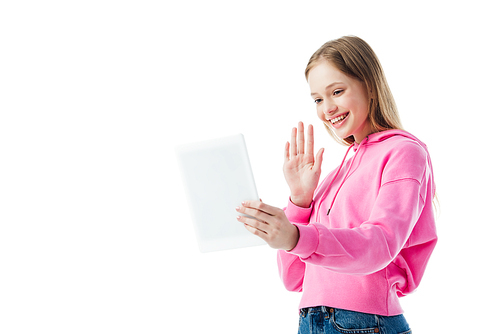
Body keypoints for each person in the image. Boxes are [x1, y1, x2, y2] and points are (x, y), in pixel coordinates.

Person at [235, 36, 437, 334]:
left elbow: (380, 244)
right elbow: (294, 278)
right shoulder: (335, 174)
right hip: (313, 319)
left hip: (364, 323)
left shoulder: (403, 152)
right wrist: (300, 202)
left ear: (370, 86)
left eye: (337, 92)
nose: (327, 108)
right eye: (317, 99)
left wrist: (295, 236)